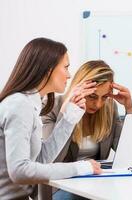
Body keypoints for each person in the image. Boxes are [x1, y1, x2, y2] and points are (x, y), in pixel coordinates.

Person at [0, 38, 102, 200]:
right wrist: (80, 168)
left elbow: (41, 159)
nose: (69, 75)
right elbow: (19, 171)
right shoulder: (19, 104)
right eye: (66, 67)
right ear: (48, 70)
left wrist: (69, 118)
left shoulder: (30, 103)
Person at [41, 60, 132, 200]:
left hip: (97, 181)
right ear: (78, 88)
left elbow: (128, 152)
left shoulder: (109, 108)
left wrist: (129, 108)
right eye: (92, 96)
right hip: (63, 182)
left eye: (104, 97)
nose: (98, 104)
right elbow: (51, 159)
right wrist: (67, 111)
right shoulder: (52, 106)